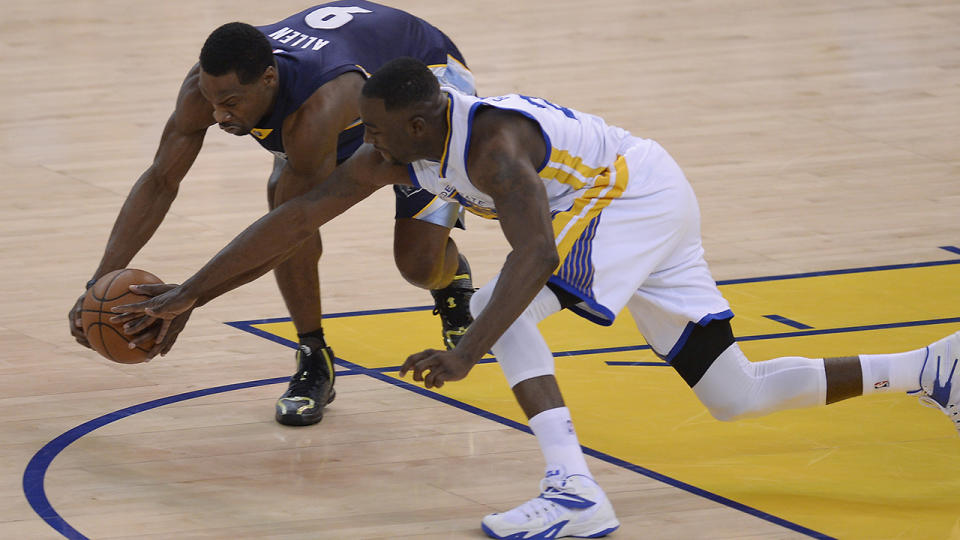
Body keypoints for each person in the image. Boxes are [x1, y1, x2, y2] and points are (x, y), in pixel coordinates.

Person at [114, 58, 960, 539]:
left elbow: (536, 254)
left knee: (507, 313)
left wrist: (465, 350)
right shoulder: (404, 146)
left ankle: (573, 492)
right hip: (642, 193)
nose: (363, 146)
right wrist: (189, 292)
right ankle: (929, 367)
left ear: (420, 122)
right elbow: (297, 215)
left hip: (633, 199)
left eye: (374, 131)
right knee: (734, 392)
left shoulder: (495, 150)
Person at [67, 4, 479, 427]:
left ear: (268, 79)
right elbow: (159, 181)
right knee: (281, 198)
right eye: (211, 102)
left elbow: (295, 226)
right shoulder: (206, 88)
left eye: (230, 103)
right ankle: (313, 355)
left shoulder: (315, 109)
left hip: (423, 77)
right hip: (347, 80)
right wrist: (98, 281)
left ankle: (451, 281)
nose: (219, 116)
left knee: (417, 266)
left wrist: (192, 295)